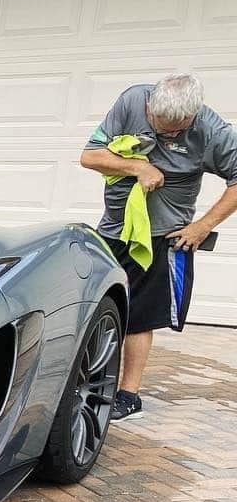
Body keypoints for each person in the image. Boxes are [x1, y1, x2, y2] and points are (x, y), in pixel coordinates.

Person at [80, 73, 237, 420]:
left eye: (174, 131)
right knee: (95, 307)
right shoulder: (133, 100)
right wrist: (137, 166)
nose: (164, 135)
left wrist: (203, 226)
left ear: (192, 117)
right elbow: (90, 156)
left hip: (163, 237)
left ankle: (128, 394)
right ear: (150, 106)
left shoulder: (213, 133)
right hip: (114, 229)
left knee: (139, 317)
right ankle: (88, 377)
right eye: (158, 126)